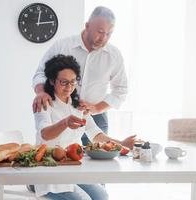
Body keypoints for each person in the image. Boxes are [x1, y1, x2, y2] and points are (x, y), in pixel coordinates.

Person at [32, 54, 135, 200]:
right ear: (52, 81)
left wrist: (122, 144)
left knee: (102, 195)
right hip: (50, 169)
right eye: (64, 82)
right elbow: (45, 134)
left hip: (73, 167)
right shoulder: (43, 103)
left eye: (73, 82)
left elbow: (95, 134)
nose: (69, 87)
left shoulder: (78, 106)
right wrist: (65, 123)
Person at [32, 6, 127, 146]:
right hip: (56, 106)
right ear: (88, 26)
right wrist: (40, 92)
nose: (103, 38)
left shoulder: (114, 55)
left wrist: (96, 108)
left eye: (109, 34)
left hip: (93, 115)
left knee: (96, 159)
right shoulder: (63, 46)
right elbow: (41, 72)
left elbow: (121, 91)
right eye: (100, 32)